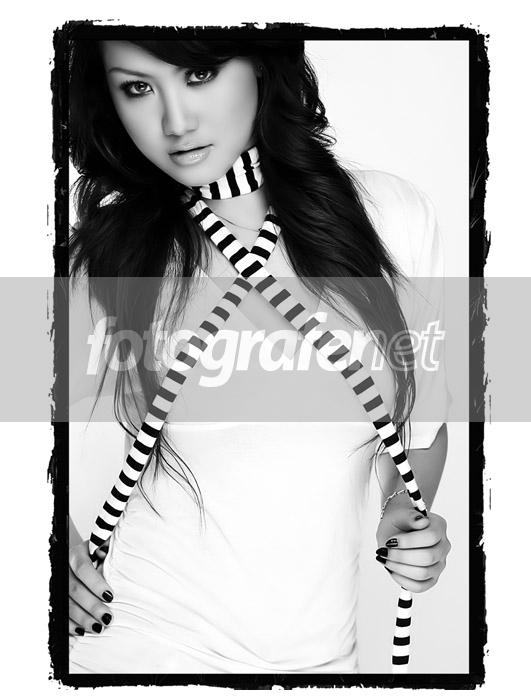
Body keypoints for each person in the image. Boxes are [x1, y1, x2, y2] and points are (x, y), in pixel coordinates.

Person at [68, 37, 451, 674]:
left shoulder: (391, 218)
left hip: (324, 662)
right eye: (137, 87)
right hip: (140, 646)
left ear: (261, 62)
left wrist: (402, 515)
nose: (175, 120)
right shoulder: (108, 260)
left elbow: (424, 426)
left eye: (199, 73)